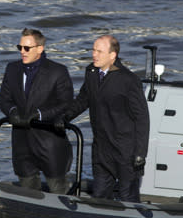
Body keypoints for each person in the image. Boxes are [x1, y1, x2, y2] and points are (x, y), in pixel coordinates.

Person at [59, 35, 149, 202]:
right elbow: (83, 99)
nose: (94, 54)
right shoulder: (91, 73)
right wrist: (64, 117)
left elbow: (142, 118)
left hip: (126, 151)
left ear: (112, 55)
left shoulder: (128, 80)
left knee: (127, 198)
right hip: (101, 149)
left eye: (99, 51)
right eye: (93, 50)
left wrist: (140, 153)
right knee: (99, 195)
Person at [0, 28, 73, 194]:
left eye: (27, 48)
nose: (22, 52)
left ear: (40, 49)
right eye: (20, 47)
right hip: (22, 144)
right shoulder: (12, 69)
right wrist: (12, 112)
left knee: (59, 191)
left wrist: (39, 115)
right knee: (28, 194)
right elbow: (3, 98)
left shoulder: (58, 71)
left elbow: (66, 103)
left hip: (49, 143)